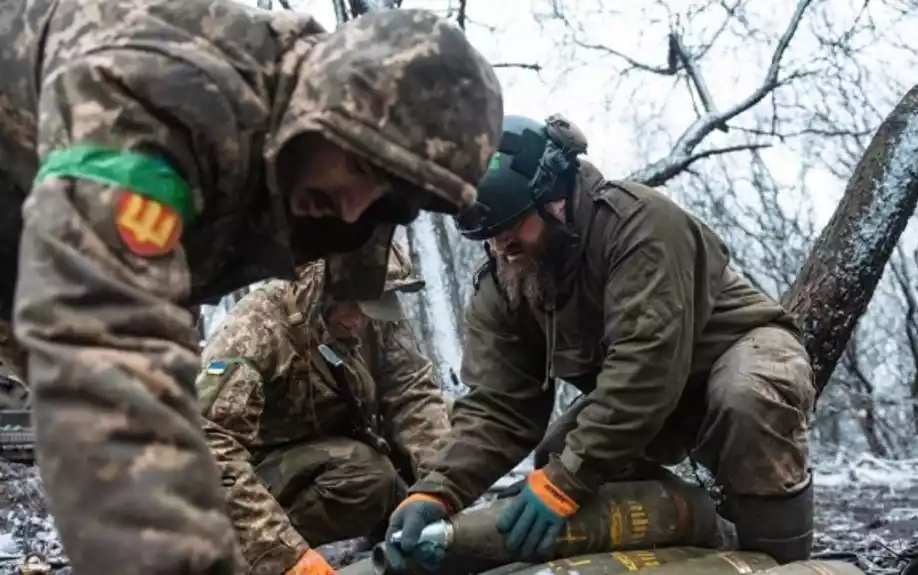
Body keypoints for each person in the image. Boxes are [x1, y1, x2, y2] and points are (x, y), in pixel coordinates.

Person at [0, 0, 503, 571]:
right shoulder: (167, 99)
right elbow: (109, 355)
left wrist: (439, 495)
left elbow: (412, 394)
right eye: (362, 168)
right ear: (323, 105)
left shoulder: (309, 197)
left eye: (387, 196)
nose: (352, 206)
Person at [385, 114, 816, 568]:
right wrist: (437, 490)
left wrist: (566, 481)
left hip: (739, 353)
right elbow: (498, 407)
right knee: (558, 453)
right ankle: (693, 540)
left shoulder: (640, 224)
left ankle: (781, 562)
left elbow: (645, 367)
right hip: (650, 397)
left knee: (746, 397)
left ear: (554, 198)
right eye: (489, 235)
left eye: (513, 226)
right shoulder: (505, 283)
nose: (502, 247)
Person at [200, 242, 451, 574]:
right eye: (350, 306)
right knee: (366, 473)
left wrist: (442, 490)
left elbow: (413, 392)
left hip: (340, 441)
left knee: (450, 415)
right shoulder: (256, 330)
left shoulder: (377, 317)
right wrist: (279, 552)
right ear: (318, 291)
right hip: (262, 467)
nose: (359, 321)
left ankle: (398, 525)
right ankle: (238, 554)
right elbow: (211, 444)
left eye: (370, 306)